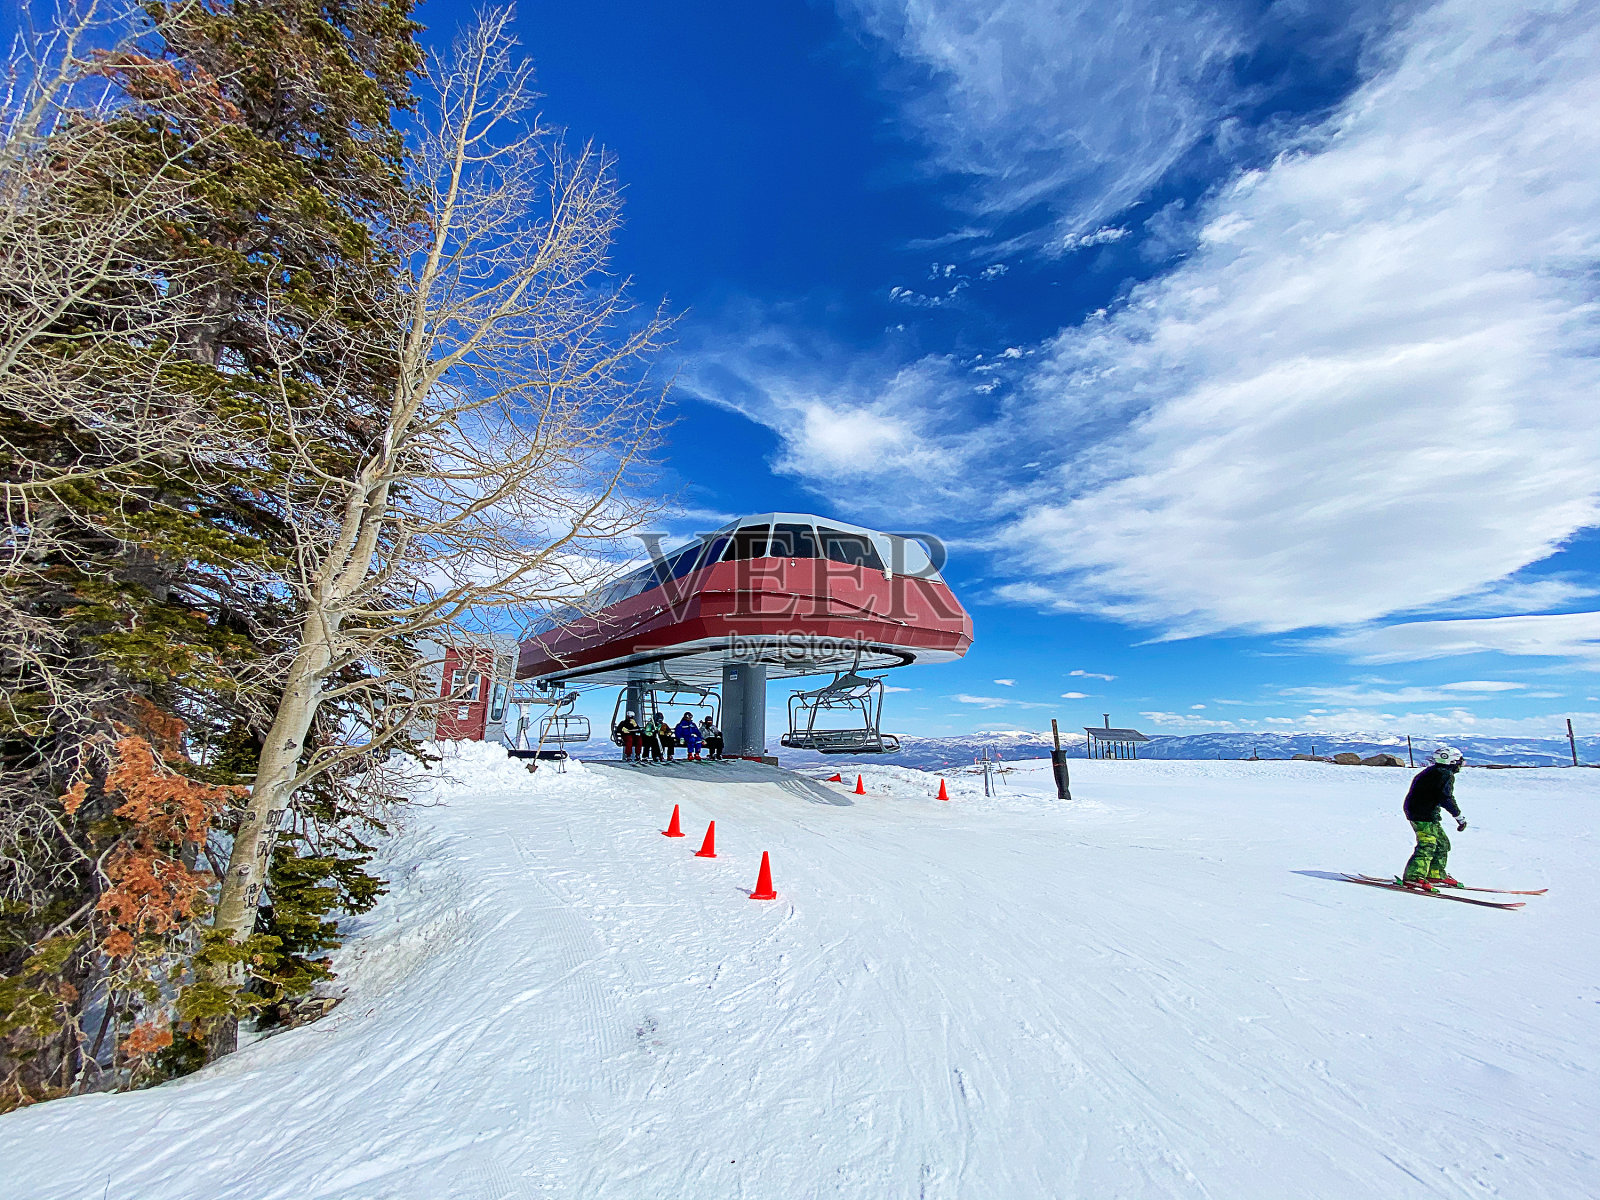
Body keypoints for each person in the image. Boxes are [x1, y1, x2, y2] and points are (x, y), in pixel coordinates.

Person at [1399, 745, 1468, 889]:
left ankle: (1435, 874)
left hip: (1426, 813)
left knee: (1442, 843)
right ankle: (1413, 877)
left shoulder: (1435, 772)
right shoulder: (1444, 775)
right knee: (1428, 844)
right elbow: (1445, 797)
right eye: (1459, 760)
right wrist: (1458, 816)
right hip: (1421, 814)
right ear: (1451, 761)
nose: (1461, 764)